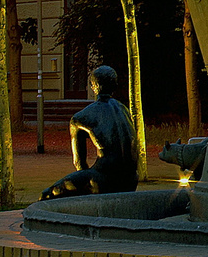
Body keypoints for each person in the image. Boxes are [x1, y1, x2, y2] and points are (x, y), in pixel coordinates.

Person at [39, 66, 138, 199]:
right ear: (115, 85)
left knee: (47, 195)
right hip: (130, 181)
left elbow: (79, 163)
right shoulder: (124, 111)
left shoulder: (81, 117)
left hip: (104, 180)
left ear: (93, 86)